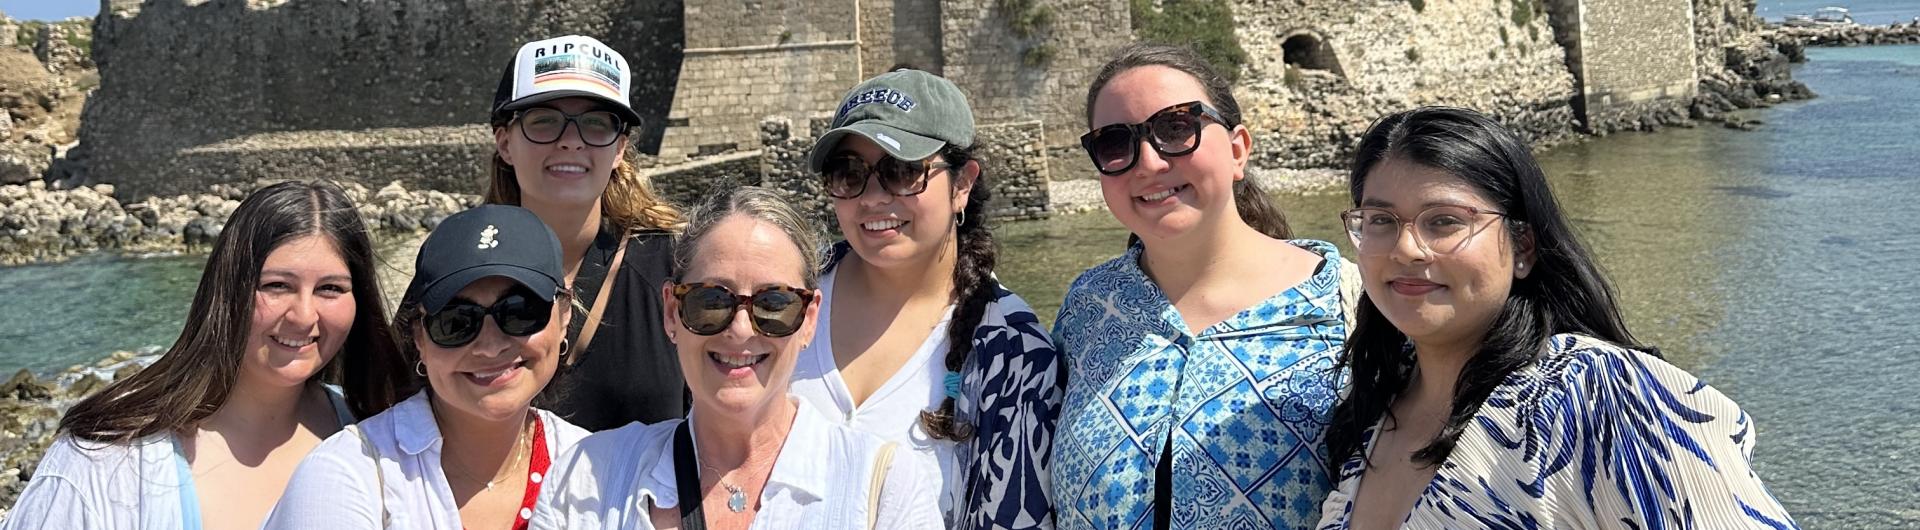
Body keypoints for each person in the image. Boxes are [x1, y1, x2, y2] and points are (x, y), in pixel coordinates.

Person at [1315, 107, 1799, 529]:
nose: (1405, 248)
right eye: (1380, 221)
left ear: (1522, 245)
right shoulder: (1371, 411)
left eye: (1444, 221)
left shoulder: (1598, 397)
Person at [1050, 43, 1355, 530]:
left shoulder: (1344, 302)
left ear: (1238, 150)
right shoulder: (1088, 309)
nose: (1147, 163)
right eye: (1114, 143)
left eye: (1176, 128)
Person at [534, 186, 944, 529]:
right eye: (711, 301)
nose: (742, 330)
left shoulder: (884, 487)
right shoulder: (587, 482)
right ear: (672, 313)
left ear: (809, 319)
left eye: (774, 304)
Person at [2, 180, 403, 529]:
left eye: (330, 288)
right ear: (227, 290)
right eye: (277, 285)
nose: (303, 315)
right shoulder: (108, 457)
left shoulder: (384, 443)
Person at [792, 68, 1062, 528]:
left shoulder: (1013, 354)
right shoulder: (778, 298)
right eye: (848, 173)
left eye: (902, 172)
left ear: (963, 184)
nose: (872, 197)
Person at [264, 204, 588, 529]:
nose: (491, 346)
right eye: (456, 322)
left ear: (563, 317)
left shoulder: (596, 470)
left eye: (520, 311)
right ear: (419, 338)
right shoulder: (347, 475)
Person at [486, 34, 687, 431]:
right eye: (544, 121)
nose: (571, 142)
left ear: (618, 150)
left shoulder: (677, 269)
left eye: (596, 125)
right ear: (505, 142)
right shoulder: (460, 269)